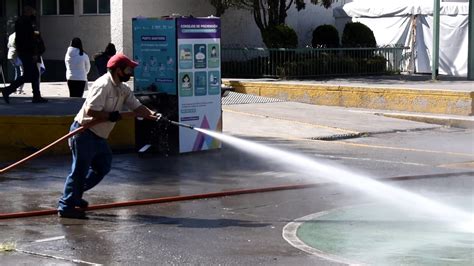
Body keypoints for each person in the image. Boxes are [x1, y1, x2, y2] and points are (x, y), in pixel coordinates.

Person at [58, 53, 161, 219]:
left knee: (103, 166)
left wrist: (154, 115)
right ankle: (66, 206)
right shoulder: (102, 85)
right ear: (118, 70)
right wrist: (110, 115)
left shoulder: (122, 88)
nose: (130, 72)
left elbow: (137, 107)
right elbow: (91, 110)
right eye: (128, 69)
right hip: (84, 133)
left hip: (99, 136)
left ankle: (74, 195)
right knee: (79, 171)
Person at [1, 6, 47, 104]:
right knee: (28, 75)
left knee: (34, 74)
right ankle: (8, 90)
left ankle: (36, 96)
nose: (34, 12)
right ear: (28, 11)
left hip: (25, 51)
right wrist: (34, 52)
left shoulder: (23, 21)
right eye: (32, 10)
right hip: (28, 52)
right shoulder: (26, 22)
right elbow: (31, 39)